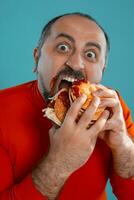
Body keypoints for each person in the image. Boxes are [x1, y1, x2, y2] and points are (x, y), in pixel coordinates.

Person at [0, 12, 134, 200]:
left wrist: (124, 148)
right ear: (36, 58)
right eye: (63, 47)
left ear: (102, 70)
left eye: (90, 54)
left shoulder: (113, 108)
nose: (76, 64)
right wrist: (60, 163)